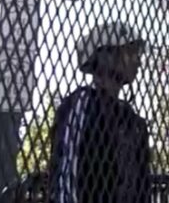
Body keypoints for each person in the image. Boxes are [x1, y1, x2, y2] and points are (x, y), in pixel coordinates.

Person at [48, 22, 150, 203]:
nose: (138, 61)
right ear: (106, 56)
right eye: (130, 52)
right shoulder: (80, 104)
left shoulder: (132, 120)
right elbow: (67, 175)